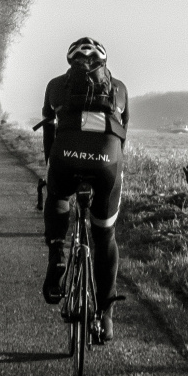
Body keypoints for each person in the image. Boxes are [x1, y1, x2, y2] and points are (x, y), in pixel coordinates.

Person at [39, 37, 129, 342]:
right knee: (105, 235)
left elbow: (48, 131)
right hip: (107, 162)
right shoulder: (120, 89)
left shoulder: (55, 86)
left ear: (70, 63)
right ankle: (106, 315)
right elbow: (122, 136)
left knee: (58, 195)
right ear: (103, 63)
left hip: (65, 157)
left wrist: (51, 164)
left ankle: (57, 253)